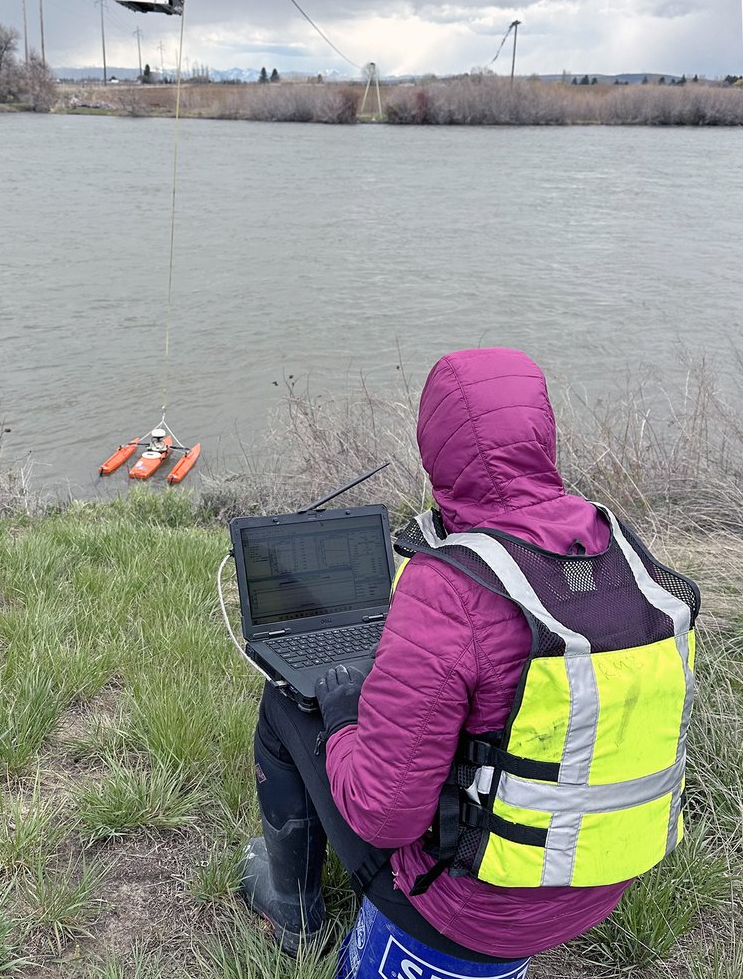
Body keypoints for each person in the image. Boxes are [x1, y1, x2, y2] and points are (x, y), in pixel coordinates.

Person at [240, 346, 698, 966]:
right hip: (597, 886)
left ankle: (291, 913)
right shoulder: (628, 556)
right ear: (543, 433)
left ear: (435, 448)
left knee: (288, 704)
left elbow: (383, 817)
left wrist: (347, 716)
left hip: (467, 910)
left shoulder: (448, 586)